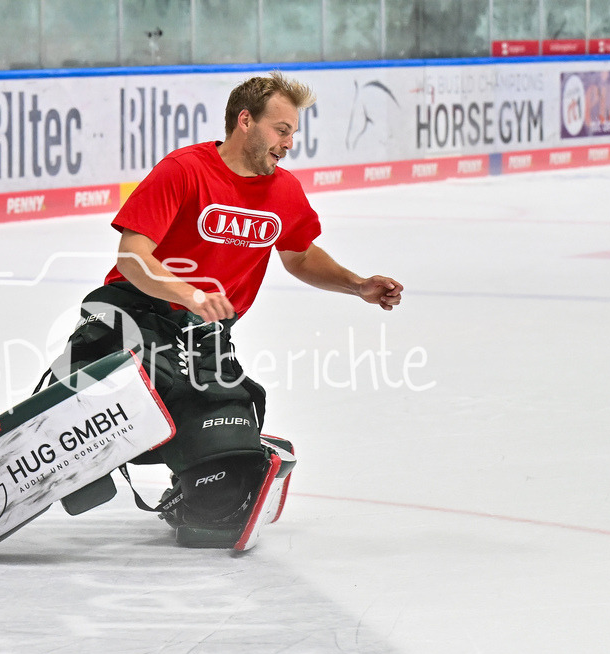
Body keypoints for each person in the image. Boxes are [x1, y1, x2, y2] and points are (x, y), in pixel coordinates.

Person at [55, 71, 403, 546]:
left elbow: (299, 254)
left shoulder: (284, 191)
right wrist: (190, 296)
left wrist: (356, 285)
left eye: (293, 133)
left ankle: (202, 486)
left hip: (204, 340)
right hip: (135, 319)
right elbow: (132, 258)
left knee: (222, 506)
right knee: (147, 396)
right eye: (282, 130)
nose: (289, 143)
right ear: (246, 121)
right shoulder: (184, 170)